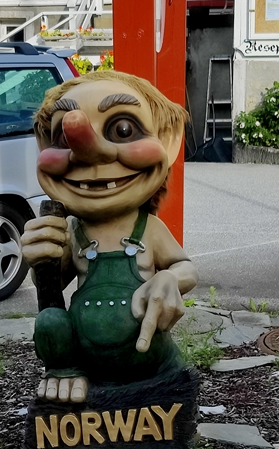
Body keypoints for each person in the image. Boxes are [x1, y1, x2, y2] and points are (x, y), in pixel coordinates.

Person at [21, 71, 198, 404]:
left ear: (168, 141)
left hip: (152, 364)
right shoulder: (72, 231)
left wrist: (170, 279)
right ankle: (64, 374)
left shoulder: (149, 228)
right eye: (63, 138)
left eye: (123, 129)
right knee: (49, 321)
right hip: (85, 364)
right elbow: (52, 289)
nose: (88, 152)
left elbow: (186, 267)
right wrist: (41, 259)